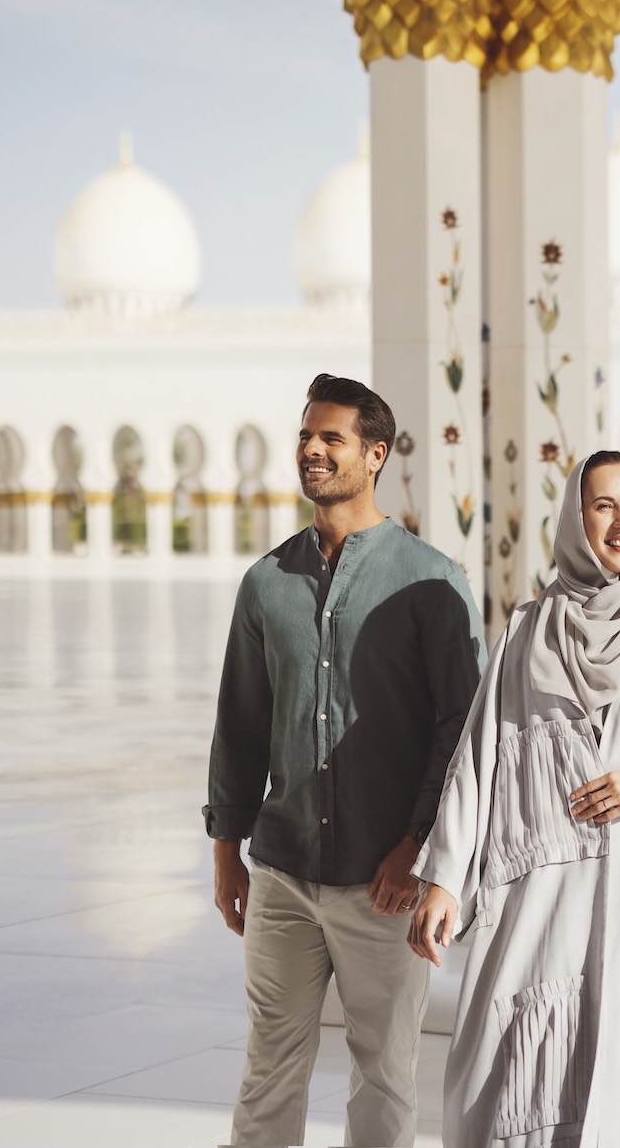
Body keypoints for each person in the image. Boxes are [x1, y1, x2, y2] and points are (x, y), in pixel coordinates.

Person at [409, 450, 620, 1148]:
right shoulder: (526, 633)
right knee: (521, 1078)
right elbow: (480, 759)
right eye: (603, 506)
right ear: (574, 520)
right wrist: (445, 879)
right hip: (545, 902)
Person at [204, 373, 485, 1148]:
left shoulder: (432, 581)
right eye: (305, 436)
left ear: (375, 455)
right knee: (269, 1066)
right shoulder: (267, 583)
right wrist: (228, 851)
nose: (312, 451)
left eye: (331, 438)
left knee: (386, 1075)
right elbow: (240, 724)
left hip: (383, 886)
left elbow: (461, 731)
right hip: (284, 872)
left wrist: (415, 849)